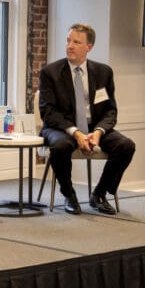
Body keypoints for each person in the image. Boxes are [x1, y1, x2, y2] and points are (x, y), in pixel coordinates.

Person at [38, 23, 135, 215]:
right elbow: (48, 111)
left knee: (126, 146)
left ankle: (99, 194)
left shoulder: (103, 72)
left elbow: (110, 110)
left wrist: (98, 132)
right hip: (61, 128)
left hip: (93, 127)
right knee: (60, 147)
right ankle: (69, 195)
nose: (70, 46)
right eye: (68, 41)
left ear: (89, 47)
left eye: (76, 42)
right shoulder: (50, 72)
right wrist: (76, 133)